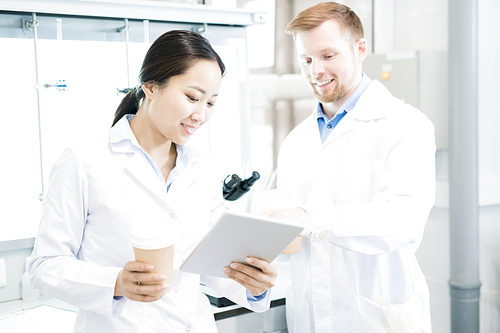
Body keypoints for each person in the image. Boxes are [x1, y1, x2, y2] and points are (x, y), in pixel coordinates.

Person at [28, 30, 277, 332]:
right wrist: (116, 283)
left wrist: (255, 285)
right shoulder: (83, 161)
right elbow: (44, 266)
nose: (200, 115)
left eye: (211, 103)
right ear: (150, 86)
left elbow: (209, 265)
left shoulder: (202, 168)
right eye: (192, 97)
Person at [263, 2, 436, 332]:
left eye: (328, 56)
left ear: (360, 49)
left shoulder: (406, 125)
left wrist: (314, 219)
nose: (315, 70)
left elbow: (402, 221)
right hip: (310, 316)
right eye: (307, 60)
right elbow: (293, 234)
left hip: (376, 316)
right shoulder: (296, 142)